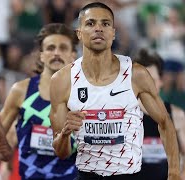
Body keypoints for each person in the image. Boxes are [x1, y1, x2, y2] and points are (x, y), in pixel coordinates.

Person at [50, 2, 180, 180]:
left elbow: (165, 122)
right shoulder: (62, 80)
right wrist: (65, 133)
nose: (98, 29)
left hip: (128, 175)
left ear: (113, 33)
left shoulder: (136, 74)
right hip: (87, 175)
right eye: (90, 23)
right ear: (78, 33)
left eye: (105, 24)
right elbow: (61, 152)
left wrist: (174, 172)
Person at [0, 23, 79, 179]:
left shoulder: (85, 94)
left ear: (73, 55)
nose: (56, 53)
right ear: (41, 55)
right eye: (50, 48)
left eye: (63, 48)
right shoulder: (20, 90)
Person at [133, 49, 185, 180]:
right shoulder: (124, 116)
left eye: (151, 80)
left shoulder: (177, 115)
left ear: (161, 81)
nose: (146, 86)